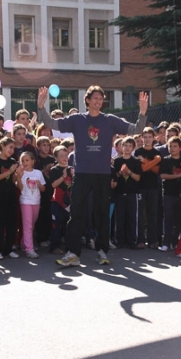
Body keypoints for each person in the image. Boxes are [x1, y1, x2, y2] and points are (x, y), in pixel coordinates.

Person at [37, 85, 148, 266]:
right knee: (76, 213)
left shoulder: (110, 120)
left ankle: (102, 251)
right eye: (94, 98)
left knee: (102, 213)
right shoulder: (77, 119)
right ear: (87, 100)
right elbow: (51, 124)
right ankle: (73, 253)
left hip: (102, 174)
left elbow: (136, 129)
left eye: (100, 98)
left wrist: (143, 112)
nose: (98, 101)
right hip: (81, 173)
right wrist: (41, 107)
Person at [0, 137, 19, 260]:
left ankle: (9, 248)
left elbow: (13, 180)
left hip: (11, 193)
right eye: (10, 147)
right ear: (2, 146)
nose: (12, 150)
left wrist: (17, 175)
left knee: (12, 222)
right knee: (0, 222)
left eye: (13, 148)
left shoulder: (12, 161)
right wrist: (9, 171)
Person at [134, 127, 162, 249]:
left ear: (153, 138)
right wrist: (152, 163)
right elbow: (142, 169)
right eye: (145, 137)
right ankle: (140, 240)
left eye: (149, 137)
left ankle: (153, 240)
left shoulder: (157, 153)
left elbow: (157, 170)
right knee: (140, 214)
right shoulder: (138, 152)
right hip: (140, 187)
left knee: (152, 214)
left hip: (153, 187)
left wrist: (145, 161)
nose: (147, 139)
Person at [16, 151, 46, 258]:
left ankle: (24, 243)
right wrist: (19, 177)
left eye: (27, 160)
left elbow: (43, 188)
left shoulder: (38, 173)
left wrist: (39, 185)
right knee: (27, 225)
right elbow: (20, 188)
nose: (25, 162)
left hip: (36, 201)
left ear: (33, 161)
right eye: (22, 160)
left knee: (32, 224)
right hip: (25, 201)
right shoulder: (21, 173)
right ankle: (30, 249)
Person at [114, 136, 141, 249]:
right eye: (125, 145)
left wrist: (129, 172)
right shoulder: (117, 160)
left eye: (130, 146)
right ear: (121, 146)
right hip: (119, 193)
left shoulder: (135, 161)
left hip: (132, 193)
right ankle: (119, 240)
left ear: (133, 148)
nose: (127, 148)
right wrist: (120, 172)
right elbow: (114, 176)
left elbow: (138, 178)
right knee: (119, 217)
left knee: (131, 217)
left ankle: (132, 241)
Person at [159, 136, 181, 251]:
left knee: (178, 220)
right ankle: (166, 243)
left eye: (175, 146)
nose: (172, 148)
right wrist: (177, 176)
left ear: (180, 148)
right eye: (170, 146)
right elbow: (162, 175)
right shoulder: (166, 160)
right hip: (168, 194)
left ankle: (175, 242)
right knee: (168, 219)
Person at [49, 145, 73, 254]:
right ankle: (55, 246)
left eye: (66, 155)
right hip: (57, 200)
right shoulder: (54, 169)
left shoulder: (71, 169)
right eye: (61, 155)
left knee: (68, 225)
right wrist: (63, 177)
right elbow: (53, 185)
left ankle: (70, 246)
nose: (64, 157)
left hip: (69, 200)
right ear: (56, 158)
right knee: (56, 225)